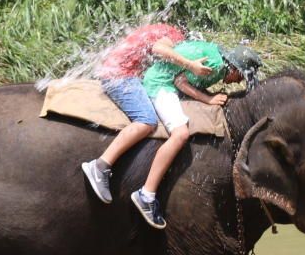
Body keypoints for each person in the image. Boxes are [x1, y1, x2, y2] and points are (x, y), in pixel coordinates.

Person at [131, 42, 261, 229]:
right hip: (160, 84)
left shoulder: (218, 58)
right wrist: (208, 99)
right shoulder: (216, 67)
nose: (238, 82)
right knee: (181, 134)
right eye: (240, 76)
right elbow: (180, 82)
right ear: (234, 68)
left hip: (167, 80)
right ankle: (146, 194)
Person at [81, 24, 214, 204]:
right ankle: (100, 166)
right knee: (146, 121)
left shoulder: (160, 29)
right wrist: (190, 64)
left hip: (120, 72)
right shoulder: (174, 35)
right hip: (120, 76)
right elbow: (159, 49)